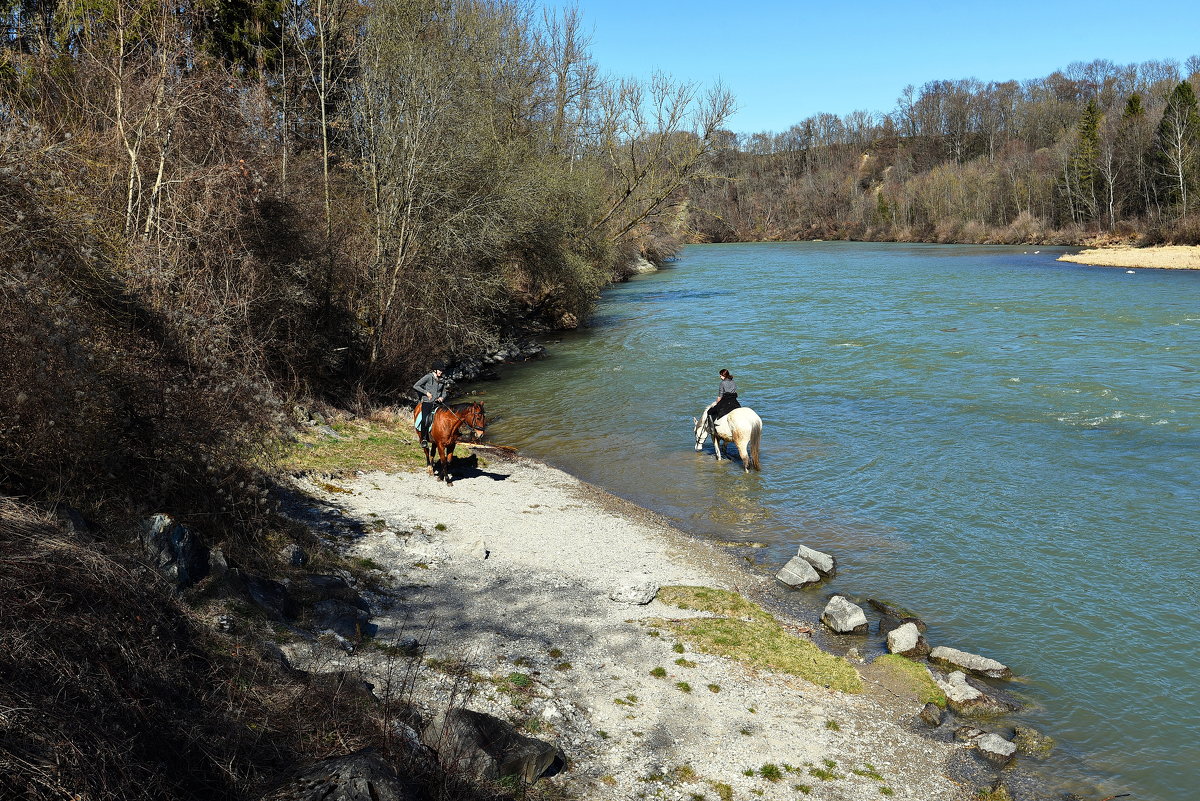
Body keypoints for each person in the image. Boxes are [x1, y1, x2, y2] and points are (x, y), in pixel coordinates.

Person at [413, 362, 450, 445]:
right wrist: (426, 393)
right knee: (425, 420)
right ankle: (423, 439)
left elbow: (444, 392)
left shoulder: (442, 379)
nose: (441, 372)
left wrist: (442, 397)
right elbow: (416, 386)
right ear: (435, 370)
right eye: (440, 370)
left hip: (438, 403)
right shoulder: (428, 377)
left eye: (442, 370)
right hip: (427, 402)